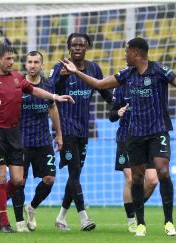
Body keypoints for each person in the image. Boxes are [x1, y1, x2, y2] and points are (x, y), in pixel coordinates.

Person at [59, 37, 176, 236]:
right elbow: (100, 84)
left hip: (158, 130)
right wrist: (76, 72)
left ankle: (169, 222)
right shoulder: (126, 74)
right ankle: (140, 223)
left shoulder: (159, 70)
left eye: (126, 53)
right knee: (137, 178)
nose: (124, 56)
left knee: (163, 171)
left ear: (135, 53)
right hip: (134, 134)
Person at [0, 43, 74, 233]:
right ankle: (4, 221)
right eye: (8, 59)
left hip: (14, 134)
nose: (12, 62)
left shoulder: (17, 78)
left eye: (13, 59)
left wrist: (55, 96)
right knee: (0, 176)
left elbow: (35, 90)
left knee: (18, 181)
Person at [50, 33, 113, 231]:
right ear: (69, 47)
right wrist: (60, 80)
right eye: (74, 45)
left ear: (87, 48)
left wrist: (118, 106)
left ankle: (60, 217)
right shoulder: (60, 67)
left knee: (74, 174)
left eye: (81, 45)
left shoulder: (94, 68)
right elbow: (49, 92)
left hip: (84, 128)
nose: (78, 48)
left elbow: (104, 91)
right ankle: (84, 218)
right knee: (74, 173)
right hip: (65, 127)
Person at [11, 51, 63, 232]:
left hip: (42, 141)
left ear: (42, 65)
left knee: (49, 179)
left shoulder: (48, 85)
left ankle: (31, 207)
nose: (32, 65)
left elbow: (53, 109)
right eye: (29, 62)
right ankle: (19, 222)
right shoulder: (17, 84)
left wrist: (59, 134)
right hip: (21, 142)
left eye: (36, 62)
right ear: (25, 65)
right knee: (20, 182)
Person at [108, 85, 158, 233]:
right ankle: (131, 220)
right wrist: (118, 112)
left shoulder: (150, 84)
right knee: (130, 179)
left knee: (152, 181)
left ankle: (136, 207)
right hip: (126, 139)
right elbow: (111, 116)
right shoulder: (121, 87)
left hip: (147, 138)